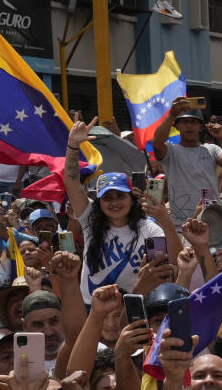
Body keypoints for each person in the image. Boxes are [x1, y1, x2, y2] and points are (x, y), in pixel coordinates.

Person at [65, 119, 170, 302]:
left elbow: (161, 273)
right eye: (107, 197)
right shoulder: (90, 220)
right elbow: (71, 183)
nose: (114, 203)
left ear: (132, 198)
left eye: (120, 196)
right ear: (99, 202)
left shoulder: (150, 229)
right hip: (93, 309)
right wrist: (73, 146)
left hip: (134, 309)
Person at [152, 98, 222, 224]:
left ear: (200, 127)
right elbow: (157, 144)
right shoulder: (170, 151)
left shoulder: (212, 149)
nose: (189, 125)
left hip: (211, 222)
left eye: (194, 122)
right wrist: (172, 114)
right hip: (181, 224)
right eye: (185, 122)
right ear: (176, 126)